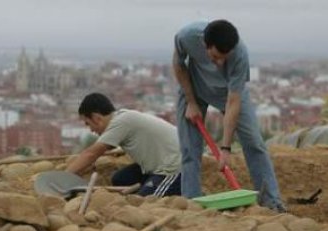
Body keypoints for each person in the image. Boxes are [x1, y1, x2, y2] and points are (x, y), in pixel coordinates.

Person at [172, 19, 286, 211]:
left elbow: (233, 101)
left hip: (229, 92)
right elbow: (178, 64)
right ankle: (191, 203)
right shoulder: (186, 37)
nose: (221, 62)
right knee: (189, 148)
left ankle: (272, 203)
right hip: (194, 88)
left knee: (254, 143)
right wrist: (191, 102)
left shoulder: (240, 53)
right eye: (216, 57)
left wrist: (225, 148)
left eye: (225, 57)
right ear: (204, 45)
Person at [66, 92, 181, 197]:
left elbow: (91, 154)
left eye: (88, 124)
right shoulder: (121, 118)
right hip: (158, 164)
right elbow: (103, 149)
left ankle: (150, 190)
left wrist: (62, 177)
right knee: (120, 179)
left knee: (143, 202)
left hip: (173, 168)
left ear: (97, 118)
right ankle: (148, 185)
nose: (91, 130)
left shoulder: (120, 123)